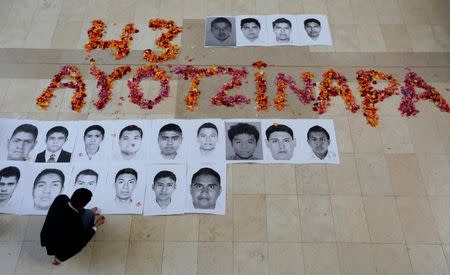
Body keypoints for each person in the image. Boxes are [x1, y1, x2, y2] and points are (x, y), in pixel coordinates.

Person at [40, 188, 105, 265]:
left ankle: (58, 258)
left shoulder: (61, 198)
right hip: (60, 247)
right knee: (89, 215)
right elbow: (82, 241)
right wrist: (96, 225)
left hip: (46, 236)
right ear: (84, 205)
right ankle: (58, 260)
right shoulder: (76, 224)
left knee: (88, 213)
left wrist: (85, 210)